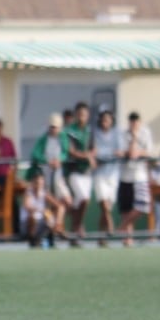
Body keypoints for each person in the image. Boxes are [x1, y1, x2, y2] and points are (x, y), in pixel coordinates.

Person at [115, 111, 154, 245]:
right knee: (126, 208)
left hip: (140, 175)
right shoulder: (123, 134)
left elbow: (148, 151)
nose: (134, 124)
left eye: (136, 121)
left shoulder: (146, 133)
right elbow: (126, 152)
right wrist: (133, 140)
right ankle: (128, 238)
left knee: (142, 206)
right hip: (125, 175)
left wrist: (137, 149)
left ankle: (121, 228)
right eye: (132, 121)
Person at [60, 102, 95, 247]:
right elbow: (71, 151)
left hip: (87, 172)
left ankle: (74, 233)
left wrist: (91, 156)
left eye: (85, 115)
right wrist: (87, 156)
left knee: (80, 204)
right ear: (76, 115)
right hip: (73, 171)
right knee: (84, 199)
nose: (82, 118)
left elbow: (94, 149)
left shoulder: (89, 131)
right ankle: (77, 228)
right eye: (80, 114)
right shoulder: (69, 131)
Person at [89, 109, 122, 246]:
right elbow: (94, 153)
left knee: (107, 207)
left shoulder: (117, 134)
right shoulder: (95, 134)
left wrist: (105, 154)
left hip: (113, 173)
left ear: (111, 121)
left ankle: (101, 238)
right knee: (103, 203)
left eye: (107, 120)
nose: (105, 122)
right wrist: (104, 155)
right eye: (103, 120)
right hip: (100, 174)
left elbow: (119, 152)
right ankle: (110, 224)